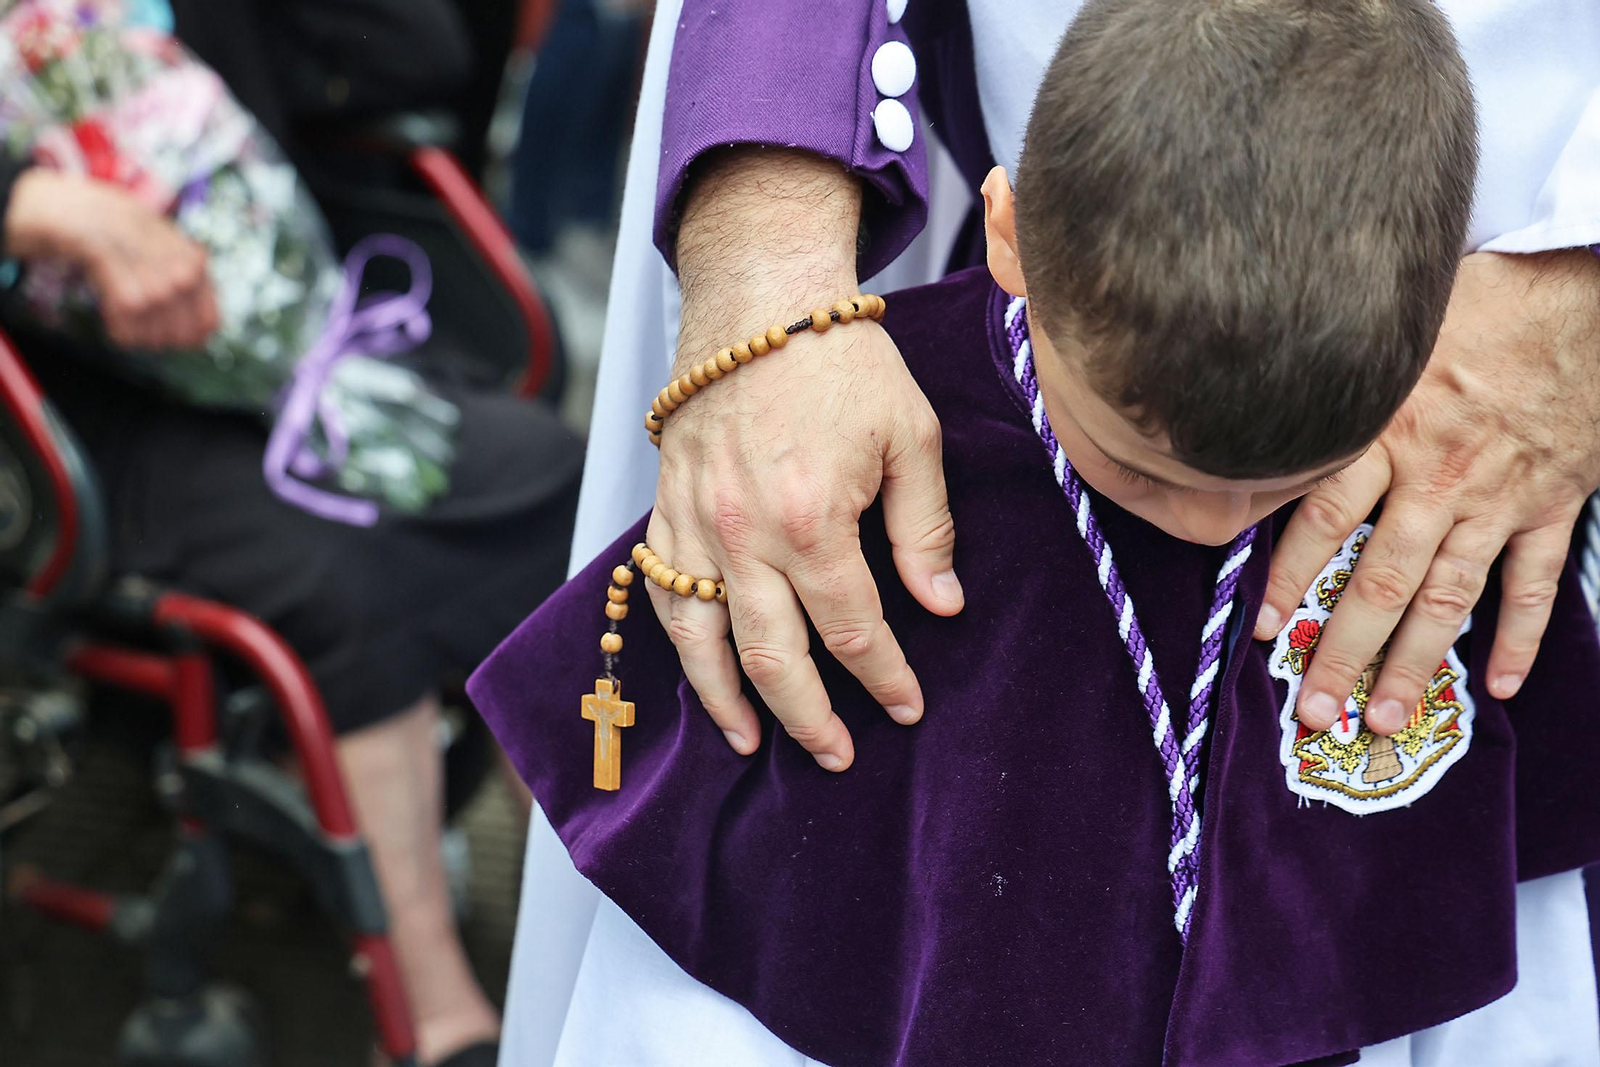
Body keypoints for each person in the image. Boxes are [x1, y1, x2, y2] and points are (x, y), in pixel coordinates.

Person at [472, 2, 1600, 1063]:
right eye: (1151, 472)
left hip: (1474, 391)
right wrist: (765, 250)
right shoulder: (898, 474)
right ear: (1013, 236)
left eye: (1265, 491)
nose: (1213, 528)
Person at [0, 170, 580, 1067]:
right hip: (65, 405)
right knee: (344, 583)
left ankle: (588, 915)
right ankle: (431, 1022)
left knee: (549, 478)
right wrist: (26, 201)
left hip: (276, 324)